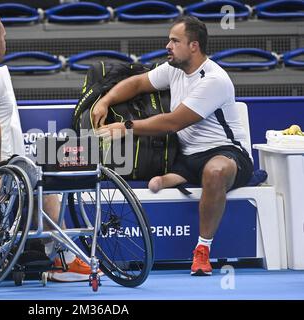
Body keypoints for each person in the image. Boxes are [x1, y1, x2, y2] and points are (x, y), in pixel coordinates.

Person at [92, 16, 253, 276]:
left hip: (227, 153)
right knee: (155, 184)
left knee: (214, 173)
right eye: (169, 39)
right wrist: (105, 101)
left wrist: (125, 128)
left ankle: (202, 250)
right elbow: (137, 83)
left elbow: (172, 123)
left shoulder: (214, 80)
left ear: (194, 46)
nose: (168, 45)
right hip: (188, 156)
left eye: (175, 41)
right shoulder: (174, 69)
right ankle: (174, 177)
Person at [0, 13, 95, 282]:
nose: (5, 44)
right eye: (5, 38)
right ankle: (64, 260)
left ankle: (35, 251)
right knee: (45, 181)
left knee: (28, 170)